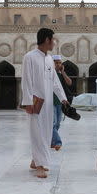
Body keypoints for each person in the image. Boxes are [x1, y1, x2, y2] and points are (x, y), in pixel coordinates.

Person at [21, 28, 70, 179]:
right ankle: (40, 166)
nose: (54, 43)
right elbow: (26, 81)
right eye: (53, 40)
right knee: (37, 133)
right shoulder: (29, 57)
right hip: (35, 103)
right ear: (47, 40)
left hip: (48, 104)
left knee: (47, 132)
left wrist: (63, 98)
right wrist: (28, 102)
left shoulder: (49, 59)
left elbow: (55, 82)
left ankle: (35, 161)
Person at [51, 55, 73, 151]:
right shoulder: (49, 73)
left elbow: (69, 83)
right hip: (50, 102)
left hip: (60, 102)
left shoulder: (60, 75)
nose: (58, 64)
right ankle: (58, 142)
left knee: (58, 124)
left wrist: (63, 72)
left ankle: (51, 141)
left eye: (60, 63)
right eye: (56, 62)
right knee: (53, 123)